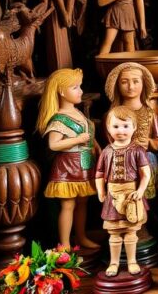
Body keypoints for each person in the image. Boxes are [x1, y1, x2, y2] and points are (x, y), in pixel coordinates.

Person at [37, 68, 99, 251]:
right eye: (75, 87)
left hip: (85, 162)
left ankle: (81, 236)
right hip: (68, 166)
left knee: (83, 202)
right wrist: (77, 140)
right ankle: (64, 243)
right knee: (68, 204)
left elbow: (89, 135)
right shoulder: (59, 119)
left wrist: (97, 147)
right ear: (62, 92)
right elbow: (54, 145)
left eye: (79, 86)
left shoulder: (78, 113)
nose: (80, 91)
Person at [95, 105, 151, 277]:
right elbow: (99, 174)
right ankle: (114, 263)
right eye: (116, 126)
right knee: (114, 234)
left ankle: (132, 261)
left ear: (134, 127)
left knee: (131, 232)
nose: (121, 130)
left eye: (125, 126)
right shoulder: (106, 151)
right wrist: (100, 191)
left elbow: (146, 174)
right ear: (108, 128)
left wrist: (141, 191)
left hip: (131, 195)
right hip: (112, 195)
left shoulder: (137, 150)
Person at [105, 61, 158, 186]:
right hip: (123, 160)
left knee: (150, 158)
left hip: (146, 158)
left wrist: (149, 142)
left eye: (135, 81)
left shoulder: (150, 113)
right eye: (124, 82)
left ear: (143, 84)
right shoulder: (112, 115)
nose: (131, 87)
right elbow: (110, 141)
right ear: (117, 85)